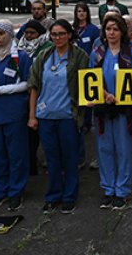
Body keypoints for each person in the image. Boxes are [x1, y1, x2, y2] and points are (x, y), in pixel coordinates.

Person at [28, 19, 90, 214]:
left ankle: (69, 195)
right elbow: (34, 86)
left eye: (62, 34)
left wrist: (89, 100)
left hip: (67, 115)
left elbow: (88, 81)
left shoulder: (80, 56)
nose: (58, 38)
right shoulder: (44, 56)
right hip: (46, 115)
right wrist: (32, 116)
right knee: (51, 158)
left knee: (70, 157)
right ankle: (53, 195)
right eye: (54, 34)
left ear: (70, 34)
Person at [0, 20, 33, 211]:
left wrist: (0, 90)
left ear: (10, 35)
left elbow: (28, 83)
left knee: (16, 154)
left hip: (13, 113)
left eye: (1, 34)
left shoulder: (21, 58)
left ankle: (16, 191)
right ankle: (0, 191)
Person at [89, 14, 132, 210]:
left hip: (123, 109)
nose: (111, 33)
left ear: (122, 32)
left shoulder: (131, 54)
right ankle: (108, 188)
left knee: (124, 149)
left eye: (115, 29)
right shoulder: (97, 53)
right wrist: (104, 93)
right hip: (103, 107)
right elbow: (90, 78)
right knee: (104, 148)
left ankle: (123, 190)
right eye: (108, 29)